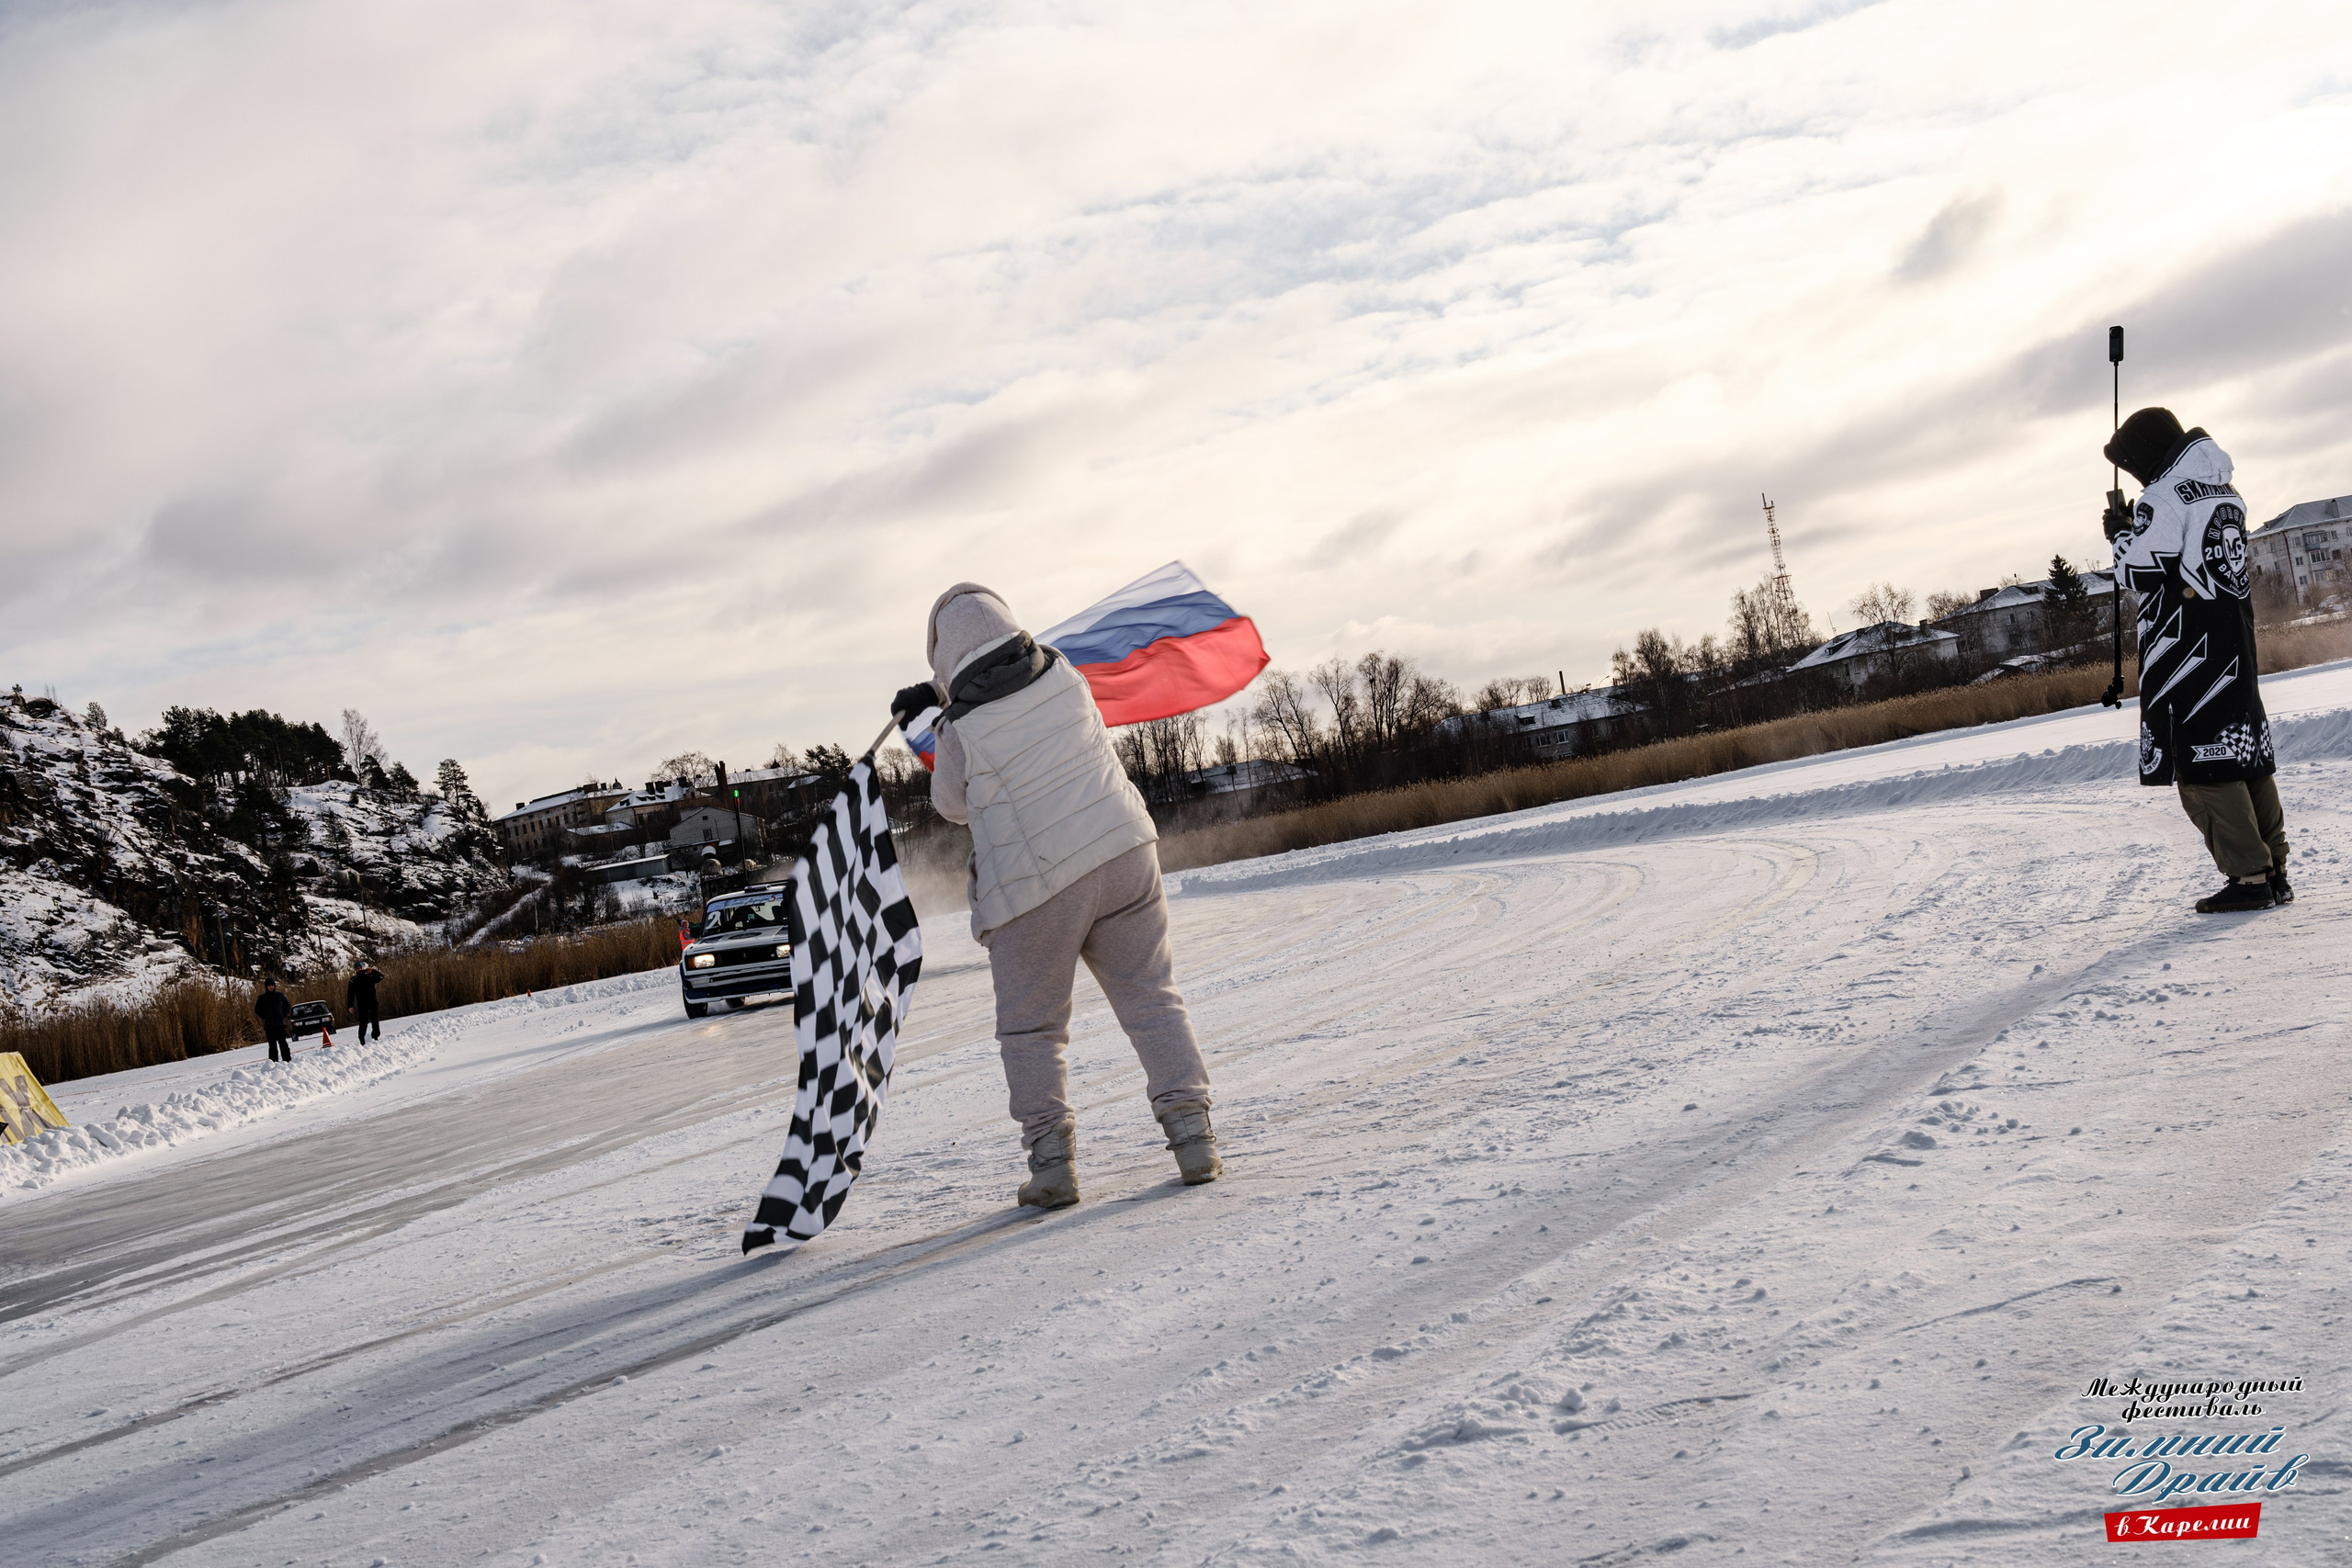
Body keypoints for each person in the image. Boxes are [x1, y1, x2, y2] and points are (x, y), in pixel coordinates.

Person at [893, 583, 1223, 1210]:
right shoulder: (1066, 674)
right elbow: (1013, 702)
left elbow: (952, 804)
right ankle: (1195, 1139)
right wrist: (943, 701)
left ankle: (1052, 1166)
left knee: (1032, 1028)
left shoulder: (961, 725)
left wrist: (937, 718)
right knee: (1151, 998)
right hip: (1125, 852)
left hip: (1035, 884)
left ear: (943, 659)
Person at [2104, 408, 2290, 913]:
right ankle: (2275, 871)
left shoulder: (2161, 497)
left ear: (2145, 456)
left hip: (2187, 650)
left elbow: (2142, 571)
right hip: (2233, 638)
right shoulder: (2227, 491)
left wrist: (2120, 532)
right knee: (2244, 750)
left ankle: (2249, 879)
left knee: (2203, 762)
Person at [346, 958, 386, 1043]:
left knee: (375, 1020)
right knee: (363, 1022)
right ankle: (362, 1039)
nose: (359, 969)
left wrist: (373, 971)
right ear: (355, 970)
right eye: (357, 968)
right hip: (362, 1004)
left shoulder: (370, 976)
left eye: (360, 968)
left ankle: (375, 1037)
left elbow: (381, 977)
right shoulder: (353, 980)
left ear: (362, 967)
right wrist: (350, 1006)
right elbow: (350, 994)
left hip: (373, 1002)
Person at [255, 977, 293, 1062]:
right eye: (269, 986)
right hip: (269, 1026)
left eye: (272, 985)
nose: (271, 987)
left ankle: (287, 1061)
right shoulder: (262, 998)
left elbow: (288, 1005)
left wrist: (283, 1015)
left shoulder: (280, 995)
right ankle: (273, 1063)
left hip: (280, 1025)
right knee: (272, 1045)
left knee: (283, 1043)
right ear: (266, 987)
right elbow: (257, 1009)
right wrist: (264, 1017)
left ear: (275, 986)